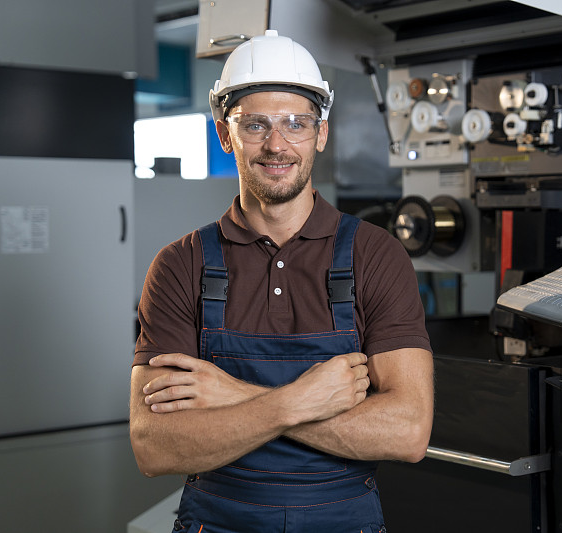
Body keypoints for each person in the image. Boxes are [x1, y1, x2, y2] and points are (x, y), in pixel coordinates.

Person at [129, 29, 434, 533]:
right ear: (224, 134)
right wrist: (298, 400)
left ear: (321, 133)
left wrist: (233, 394)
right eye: (255, 125)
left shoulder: (375, 255)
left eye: (296, 123)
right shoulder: (181, 265)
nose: (277, 144)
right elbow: (154, 446)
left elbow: (407, 432)